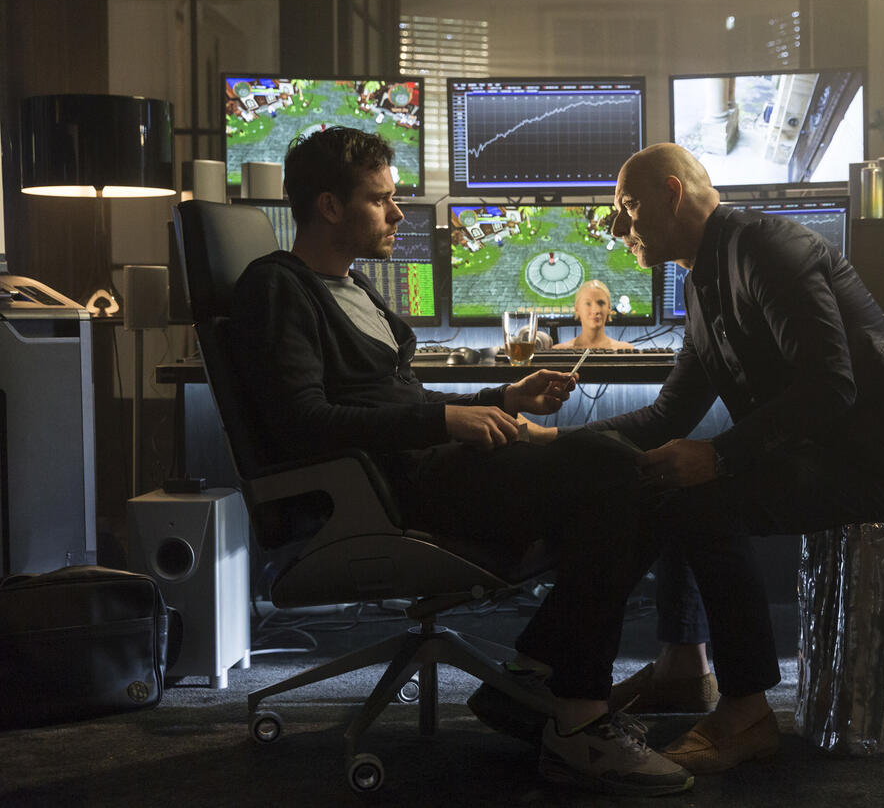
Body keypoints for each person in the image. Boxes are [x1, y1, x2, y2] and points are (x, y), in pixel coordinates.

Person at [228, 127, 694, 797]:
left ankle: (537, 675)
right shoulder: (278, 288)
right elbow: (304, 424)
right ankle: (578, 720)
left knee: (638, 470)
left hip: (430, 468)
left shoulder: (352, 287)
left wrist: (501, 397)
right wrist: (445, 420)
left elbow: (406, 402)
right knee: (613, 466)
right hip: (388, 491)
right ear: (328, 207)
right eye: (381, 200)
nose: (397, 214)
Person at [526, 142, 884, 775]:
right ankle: (678, 667)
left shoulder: (767, 249)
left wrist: (720, 456)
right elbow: (666, 417)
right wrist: (554, 441)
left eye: (628, 207)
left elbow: (830, 387)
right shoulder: (702, 279)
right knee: (661, 477)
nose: (618, 228)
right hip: (816, 454)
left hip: (877, 465)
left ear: (672, 194)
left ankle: (747, 711)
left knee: (700, 501)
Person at [552, 280, 634, 350]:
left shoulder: (626, 349)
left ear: (609, 308)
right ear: (577, 308)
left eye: (601, 303)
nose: (595, 310)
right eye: (588, 303)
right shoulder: (558, 350)